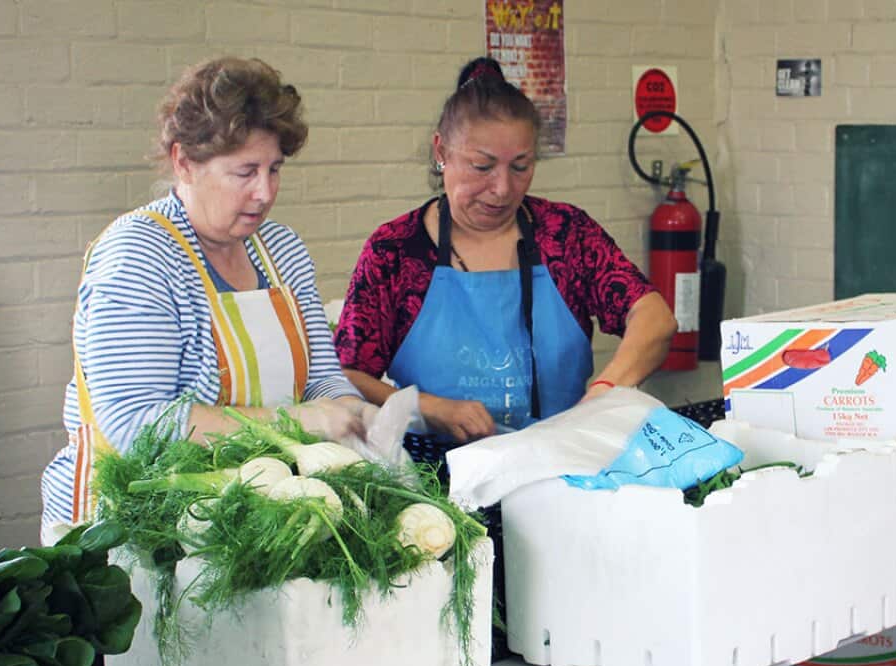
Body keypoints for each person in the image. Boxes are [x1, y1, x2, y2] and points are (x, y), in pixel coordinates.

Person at [40, 57, 374, 541]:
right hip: (136, 529)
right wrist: (300, 421)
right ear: (183, 162)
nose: (265, 192)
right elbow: (138, 423)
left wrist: (355, 414)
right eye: (245, 172)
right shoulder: (140, 254)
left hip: (253, 516)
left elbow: (321, 377)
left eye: (274, 169)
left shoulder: (280, 250)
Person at [334, 57, 677, 443]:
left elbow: (655, 319)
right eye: (482, 166)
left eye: (520, 166)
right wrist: (428, 407)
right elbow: (345, 376)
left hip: (561, 459)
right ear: (440, 150)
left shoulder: (566, 235)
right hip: (437, 476)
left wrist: (605, 392)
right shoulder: (395, 252)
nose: (502, 188)